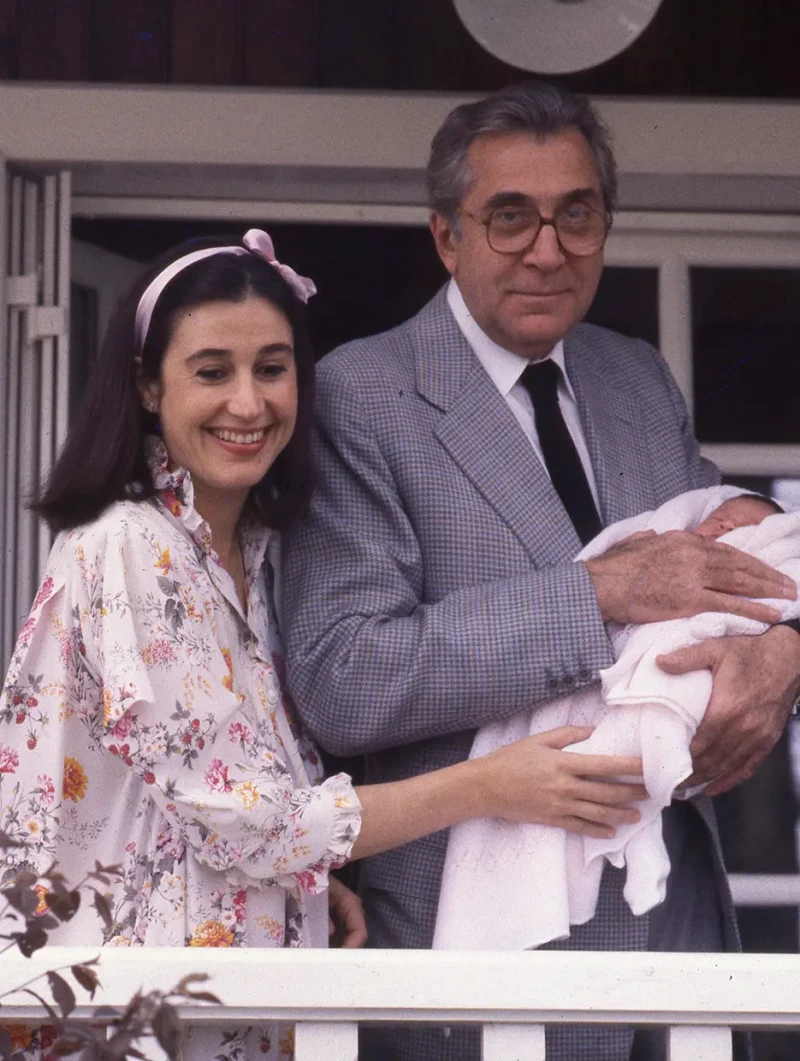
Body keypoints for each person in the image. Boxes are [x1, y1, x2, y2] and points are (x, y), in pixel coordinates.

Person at [0, 229, 650, 1061]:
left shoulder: (256, 556)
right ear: (146, 387)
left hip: (232, 1019)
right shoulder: (128, 546)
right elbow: (247, 824)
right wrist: (494, 784)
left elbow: (217, 812)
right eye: (211, 371)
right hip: (120, 1029)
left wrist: (313, 881)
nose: (249, 402)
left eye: (272, 368)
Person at [280, 81, 800, 1061]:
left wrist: (785, 653)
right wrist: (598, 593)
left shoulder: (633, 375)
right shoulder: (359, 393)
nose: (546, 249)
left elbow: (741, 563)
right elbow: (343, 676)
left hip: (669, 916)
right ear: (446, 236)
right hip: (475, 953)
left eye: (576, 214)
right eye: (509, 217)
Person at [435, 488, 800, 954]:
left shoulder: (660, 421)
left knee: (659, 716)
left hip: (679, 921)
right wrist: (600, 588)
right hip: (580, 712)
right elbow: (347, 686)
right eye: (721, 519)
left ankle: (645, 817)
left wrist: (791, 646)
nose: (725, 529)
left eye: (743, 527)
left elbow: (782, 599)